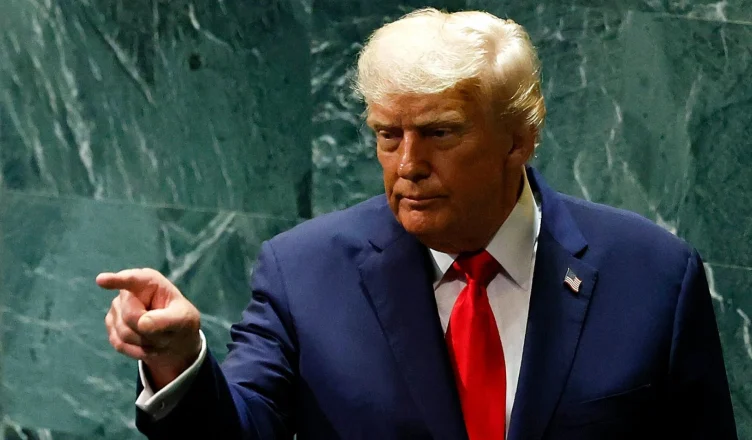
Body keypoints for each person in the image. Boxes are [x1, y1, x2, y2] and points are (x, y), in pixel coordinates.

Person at [97, 8, 737, 440]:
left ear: (519, 138)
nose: (407, 164)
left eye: (439, 133)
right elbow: (241, 428)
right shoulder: (305, 273)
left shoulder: (654, 276)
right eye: (387, 135)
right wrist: (179, 361)